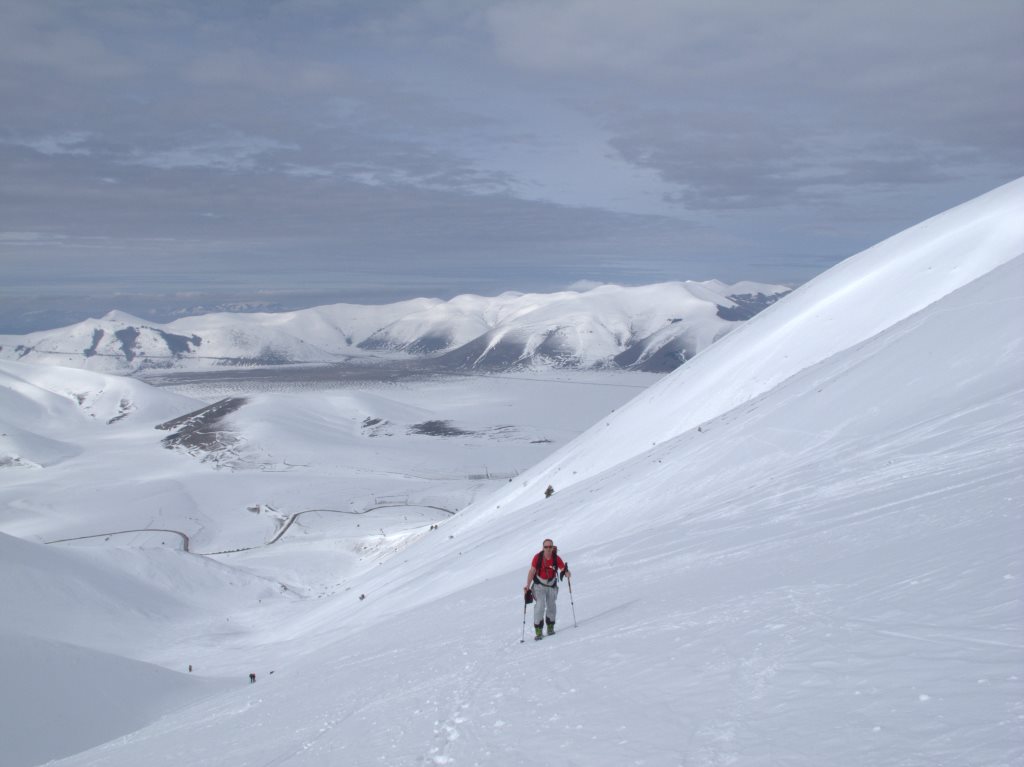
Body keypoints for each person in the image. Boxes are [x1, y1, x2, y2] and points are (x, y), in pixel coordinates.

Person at [524, 539, 570, 638]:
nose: (548, 549)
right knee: (540, 605)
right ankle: (538, 629)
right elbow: (532, 571)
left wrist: (566, 573)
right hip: (539, 585)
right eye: (546, 547)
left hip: (552, 585)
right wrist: (527, 586)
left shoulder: (556, 558)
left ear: (553, 547)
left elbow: (563, 568)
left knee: (551, 605)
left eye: (550, 547)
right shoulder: (537, 558)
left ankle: (550, 626)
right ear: (543, 548)